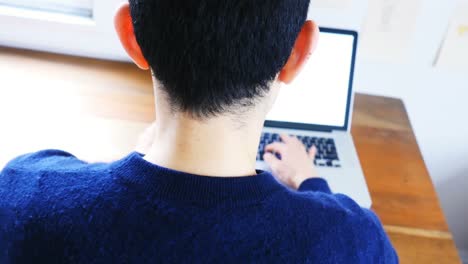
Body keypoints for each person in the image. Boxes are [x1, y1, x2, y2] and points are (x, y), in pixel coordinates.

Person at [0, 0, 398, 263]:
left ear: (131, 36)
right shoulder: (353, 242)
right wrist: (312, 182)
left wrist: (139, 160)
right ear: (298, 54)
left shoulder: (23, 195)